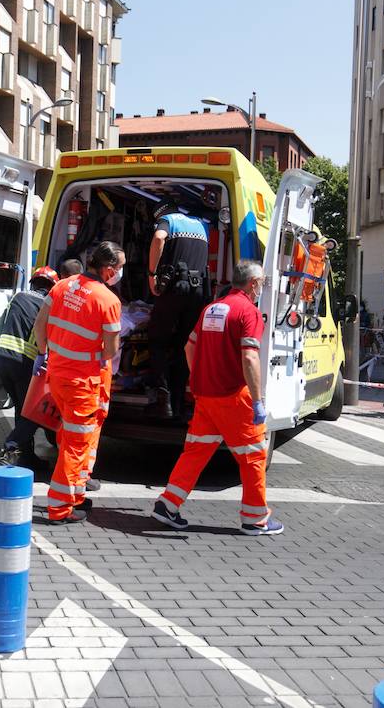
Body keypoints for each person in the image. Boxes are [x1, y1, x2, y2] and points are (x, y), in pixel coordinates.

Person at [151, 261, 282, 536]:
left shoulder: (212, 309)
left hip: (205, 395)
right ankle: (255, 519)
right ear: (254, 283)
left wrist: (200, 375)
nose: (261, 289)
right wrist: (257, 400)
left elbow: (190, 346)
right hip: (234, 397)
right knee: (253, 456)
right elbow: (249, 357)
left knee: (196, 452)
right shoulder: (249, 312)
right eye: (261, 283)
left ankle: (168, 504)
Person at [32, 241, 125, 525]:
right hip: (83, 382)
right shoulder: (109, 301)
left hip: (58, 374)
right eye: (120, 268)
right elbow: (110, 351)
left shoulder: (63, 285)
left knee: (70, 436)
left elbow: (40, 325)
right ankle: (60, 507)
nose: (121, 273)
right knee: (76, 444)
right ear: (109, 270)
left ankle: (77, 493)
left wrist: (44, 352)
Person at [145, 202, 210, 419]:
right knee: (184, 344)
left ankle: (163, 402)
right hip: (198, 291)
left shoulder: (169, 221)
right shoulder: (201, 226)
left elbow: (159, 238)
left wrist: (151, 273)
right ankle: (178, 402)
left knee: (157, 341)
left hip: (173, 288)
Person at [0, 266, 61, 470]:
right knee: (32, 414)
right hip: (26, 363)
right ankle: (10, 447)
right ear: (52, 288)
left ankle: (26, 458)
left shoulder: (18, 297)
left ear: (33, 283)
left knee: (21, 410)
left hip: (2, 358)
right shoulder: (47, 305)